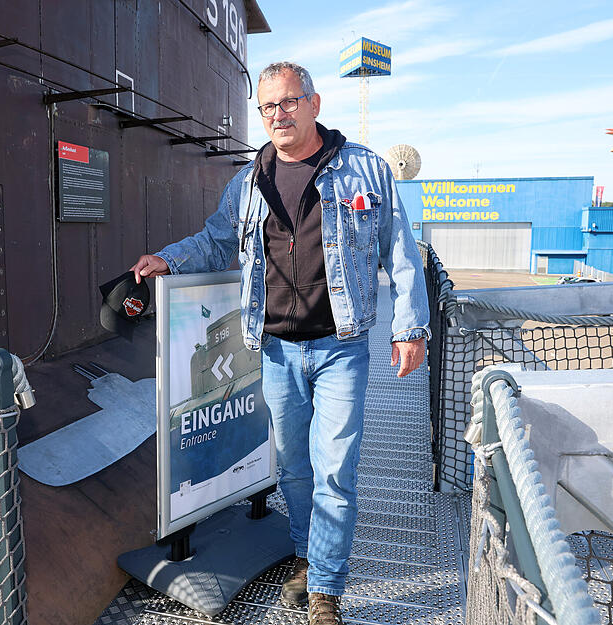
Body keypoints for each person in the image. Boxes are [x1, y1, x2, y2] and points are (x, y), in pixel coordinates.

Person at [130, 61, 430, 625]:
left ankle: (325, 590)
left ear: (315, 104)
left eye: (289, 102)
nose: (278, 115)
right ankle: (305, 552)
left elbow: (401, 251)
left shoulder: (364, 170)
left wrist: (409, 327)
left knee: (335, 467)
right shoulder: (247, 182)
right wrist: (168, 258)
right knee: (292, 466)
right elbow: (218, 241)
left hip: (340, 346)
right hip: (273, 348)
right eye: (268, 107)